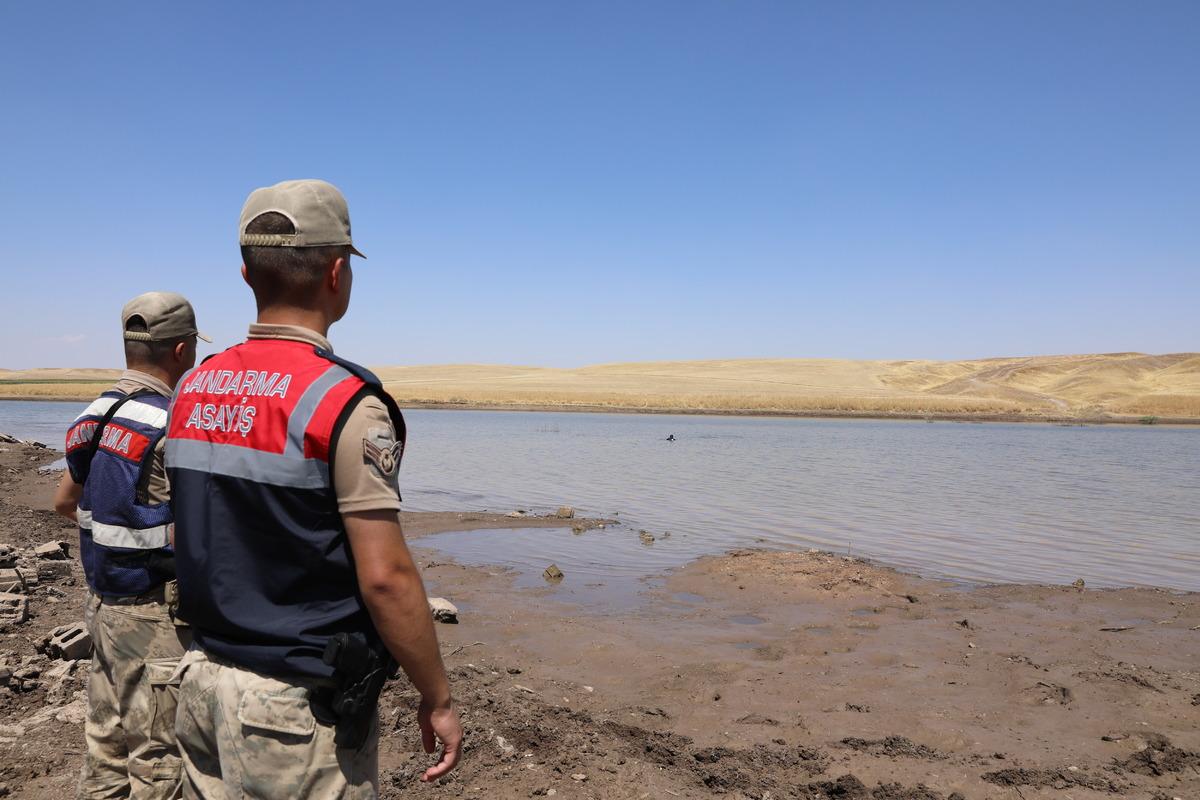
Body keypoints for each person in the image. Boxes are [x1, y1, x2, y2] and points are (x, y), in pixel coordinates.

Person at [164, 179, 462, 798]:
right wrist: (436, 696)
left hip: (197, 683)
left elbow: (185, 532)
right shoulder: (345, 403)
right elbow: (386, 577)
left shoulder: (193, 389)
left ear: (247, 275)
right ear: (336, 273)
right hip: (293, 714)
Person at [53, 291, 207, 799]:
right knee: (160, 760)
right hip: (154, 617)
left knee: (106, 751)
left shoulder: (93, 413)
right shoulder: (172, 422)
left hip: (101, 605)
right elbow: (194, 532)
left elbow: (63, 502)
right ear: (182, 352)